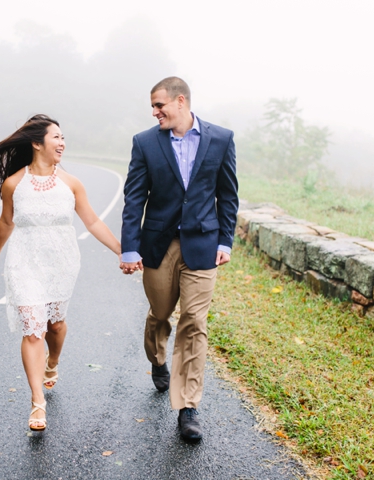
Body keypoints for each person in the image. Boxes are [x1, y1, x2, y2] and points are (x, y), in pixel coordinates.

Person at [0, 114, 121, 432]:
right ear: (37, 143)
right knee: (33, 330)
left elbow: (93, 223)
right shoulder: (14, 184)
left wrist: (121, 250)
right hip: (24, 264)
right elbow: (7, 222)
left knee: (55, 326)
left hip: (61, 264)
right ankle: (37, 403)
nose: (62, 143)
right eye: (56, 137)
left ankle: (53, 361)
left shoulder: (71, 184)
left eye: (63, 137)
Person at [120, 77, 239, 442]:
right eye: (153, 108)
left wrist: (226, 241)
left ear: (180, 101)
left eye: (159, 106)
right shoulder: (145, 142)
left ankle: (187, 407)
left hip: (202, 246)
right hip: (158, 245)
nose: (155, 113)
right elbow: (134, 198)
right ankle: (158, 360)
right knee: (160, 313)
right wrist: (130, 247)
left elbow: (228, 195)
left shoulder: (221, 138)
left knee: (194, 320)